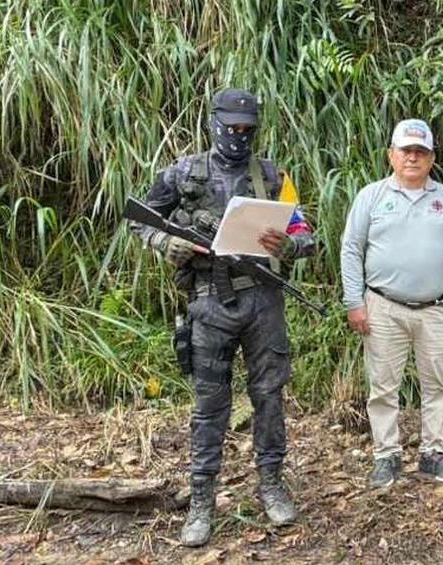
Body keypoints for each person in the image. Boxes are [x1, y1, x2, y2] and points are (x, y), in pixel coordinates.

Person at [130, 88, 314, 547]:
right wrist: (164, 243)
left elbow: (305, 231)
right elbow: (140, 219)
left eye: (247, 129)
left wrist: (290, 244)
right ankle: (201, 502)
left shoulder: (272, 175)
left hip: (262, 301)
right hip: (209, 302)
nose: (239, 136)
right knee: (209, 407)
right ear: (214, 123)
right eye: (232, 127)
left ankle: (271, 485)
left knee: (269, 397)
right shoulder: (183, 172)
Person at [340, 119, 443, 489]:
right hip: (383, 306)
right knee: (383, 386)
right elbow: (351, 250)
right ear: (392, 155)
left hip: (437, 308)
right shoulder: (371, 196)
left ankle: (434, 451)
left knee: (438, 383)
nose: (413, 158)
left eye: (421, 152)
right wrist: (354, 301)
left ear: (432, 158)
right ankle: (387, 455)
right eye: (406, 151)